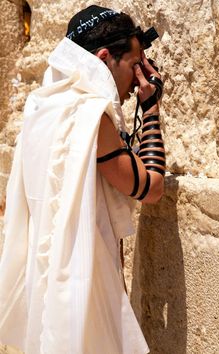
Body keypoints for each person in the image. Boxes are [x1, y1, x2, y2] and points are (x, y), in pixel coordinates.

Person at [0, 5, 165, 354]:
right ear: (105, 57)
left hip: (47, 287)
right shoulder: (91, 116)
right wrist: (150, 108)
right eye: (135, 65)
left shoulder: (41, 108)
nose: (137, 81)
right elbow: (150, 188)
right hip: (81, 290)